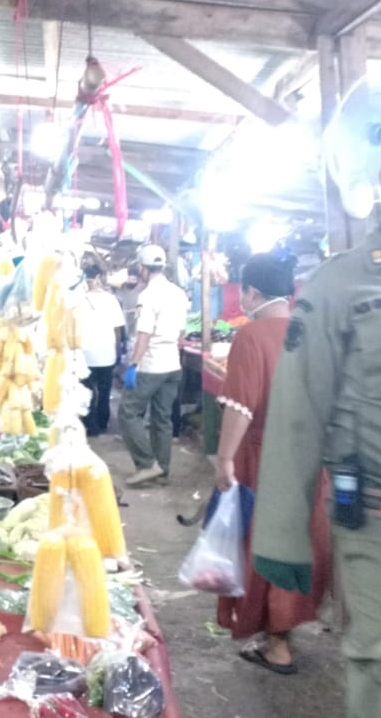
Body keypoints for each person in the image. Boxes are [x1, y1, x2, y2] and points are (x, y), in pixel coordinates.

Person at [251, 76, 381, 717]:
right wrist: (281, 539)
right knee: (376, 661)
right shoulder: (341, 286)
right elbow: (297, 415)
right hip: (376, 521)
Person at [213, 252, 331, 675]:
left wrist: (224, 459)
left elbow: (240, 406)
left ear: (251, 292)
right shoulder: (314, 331)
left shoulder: (253, 336)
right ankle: (280, 635)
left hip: (266, 458)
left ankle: (277, 645)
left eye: (242, 292)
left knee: (264, 546)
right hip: (310, 460)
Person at [119, 245, 189, 487]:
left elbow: (144, 335)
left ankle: (147, 464)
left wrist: (133, 365)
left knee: (128, 413)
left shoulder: (148, 296)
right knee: (162, 419)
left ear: (142, 268)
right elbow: (181, 333)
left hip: (151, 366)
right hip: (173, 365)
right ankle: (163, 470)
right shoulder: (179, 293)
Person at [78, 264, 125, 436]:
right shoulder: (111, 300)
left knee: (87, 391)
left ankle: (91, 426)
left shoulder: (78, 300)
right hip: (107, 354)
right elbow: (118, 329)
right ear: (100, 278)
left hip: (85, 355)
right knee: (104, 391)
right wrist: (117, 349)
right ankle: (103, 422)